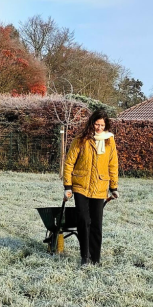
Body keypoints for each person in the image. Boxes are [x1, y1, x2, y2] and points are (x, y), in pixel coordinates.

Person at [63, 109, 119, 265]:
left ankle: (95, 258)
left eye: (102, 125)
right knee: (83, 220)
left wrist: (114, 187)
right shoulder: (81, 140)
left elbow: (113, 164)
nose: (99, 128)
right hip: (81, 185)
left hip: (100, 187)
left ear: (106, 125)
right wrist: (67, 186)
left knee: (96, 223)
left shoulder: (109, 141)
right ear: (91, 123)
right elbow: (69, 163)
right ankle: (85, 256)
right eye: (96, 124)